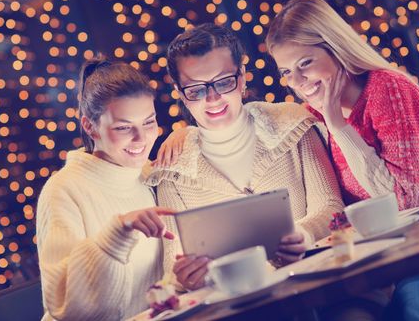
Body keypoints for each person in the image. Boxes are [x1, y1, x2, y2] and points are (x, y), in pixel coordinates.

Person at [146, 23, 344, 291]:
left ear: (241, 78)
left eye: (224, 82)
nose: (213, 99)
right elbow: (173, 265)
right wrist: (188, 277)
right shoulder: (172, 171)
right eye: (196, 90)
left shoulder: (293, 123)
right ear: (181, 94)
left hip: (322, 287)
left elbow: (331, 205)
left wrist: (305, 234)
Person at [36, 59, 176, 320]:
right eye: (124, 127)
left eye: (149, 122)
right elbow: (65, 303)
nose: (142, 138)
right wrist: (117, 234)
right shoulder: (63, 190)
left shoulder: (150, 175)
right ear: (89, 126)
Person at [265, 0, 419, 209]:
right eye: (287, 72)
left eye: (305, 63)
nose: (296, 82)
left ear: (336, 50)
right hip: (372, 237)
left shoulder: (389, 89)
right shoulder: (312, 117)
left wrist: (339, 126)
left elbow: (399, 200)